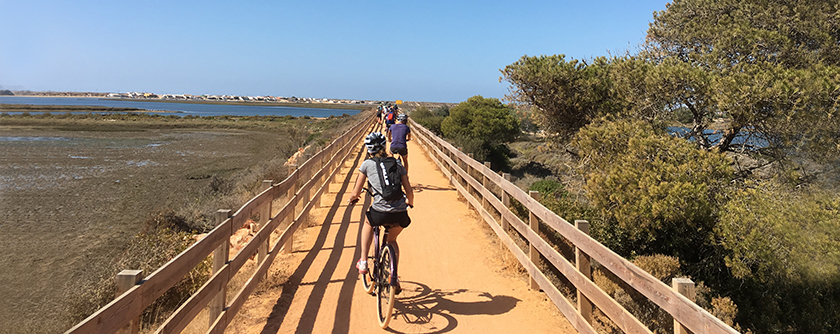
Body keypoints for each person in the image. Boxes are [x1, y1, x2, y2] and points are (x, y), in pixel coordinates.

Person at [348, 132, 414, 292]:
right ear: (385, 146)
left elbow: (356, 192)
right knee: (392, 241)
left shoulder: (367, 165)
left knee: (368, 221)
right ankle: (394, 275)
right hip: (400, 213)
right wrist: (409, 203)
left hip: (379, 212)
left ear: (368, 149)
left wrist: (352, 199)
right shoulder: (397, 164)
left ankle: (363, 261)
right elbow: (409, 191)